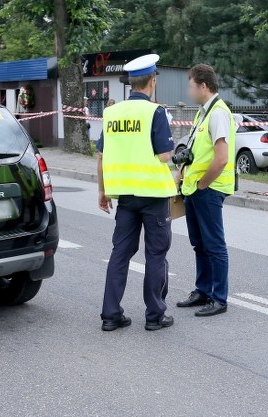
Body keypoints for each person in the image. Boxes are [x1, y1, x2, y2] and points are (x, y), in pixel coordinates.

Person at [97, 54, 176, 332]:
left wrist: (102, 191)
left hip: (125, 197)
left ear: (130, 83)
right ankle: (154, 316)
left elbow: (101, 155)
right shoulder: (156, 112)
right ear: (152, 81)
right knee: (156, 255)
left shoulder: (111, 113)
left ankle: (110, 314)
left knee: (120, 253)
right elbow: (165, 155)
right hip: (153, 196)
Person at [176, 63, 235, 317]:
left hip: (208, 189)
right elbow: (197, 151)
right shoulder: (203, 113)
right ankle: (202, 290)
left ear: (203, 86)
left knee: (214, 245)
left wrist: (202, 184)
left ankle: (219, 298)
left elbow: (221, 158)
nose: (188, 90)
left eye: (191, 85)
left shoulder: (218, 113)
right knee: (199, 243)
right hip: (194, 189)